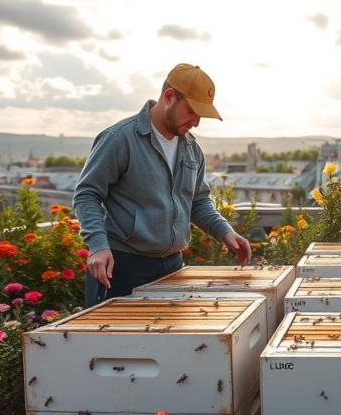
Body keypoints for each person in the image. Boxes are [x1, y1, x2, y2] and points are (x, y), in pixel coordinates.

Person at [74, 63, 252, 307]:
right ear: (169, 97)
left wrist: (226, 232)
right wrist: (97, 246)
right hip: (121, 267)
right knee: (118, 345)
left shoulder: (192, 149)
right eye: (191, 111)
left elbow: (198, 202)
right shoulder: (120, 138)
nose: (196, 122)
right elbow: (87, 194)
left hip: (172, 267)